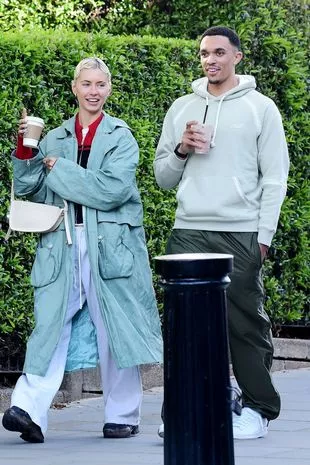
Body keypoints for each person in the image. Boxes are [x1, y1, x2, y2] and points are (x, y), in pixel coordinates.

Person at [2, 57, 162, 443]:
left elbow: (112, 191)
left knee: (114, 326)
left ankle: (122, 414)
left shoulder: (121, 137)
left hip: (110, 245)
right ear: (74, 88)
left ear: (108, 89)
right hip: (61, 242)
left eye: (100, 85)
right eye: (86, 84)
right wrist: (27, 155)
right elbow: (33, 191)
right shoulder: (53, 138)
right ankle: (28, 411)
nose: (93, 91)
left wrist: (60, 170)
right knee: (50, 325)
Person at [154, 26, 289, 440]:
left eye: (218, 53)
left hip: (240, 233)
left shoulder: (261, 108)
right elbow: (162, 178)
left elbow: (275, 177)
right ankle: (183, 408)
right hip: (188, 230)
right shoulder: (181, 107)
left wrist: (262, 236)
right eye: (203, 54)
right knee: (181, 328)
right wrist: (181, 149)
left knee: (245, 325)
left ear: (237, 57)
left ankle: (258, 409)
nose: (210, 60)